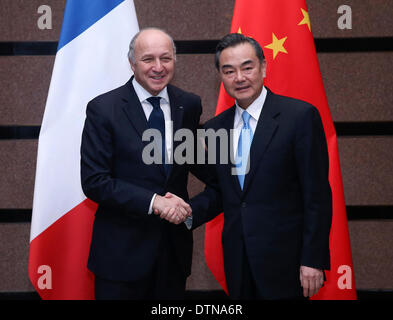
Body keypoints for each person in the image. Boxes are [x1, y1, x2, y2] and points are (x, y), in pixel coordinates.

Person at [183, 33, 332, 300]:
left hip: (288, 262)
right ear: (220, 76)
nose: (239, 77)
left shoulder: (299, 117)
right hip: (238, 261)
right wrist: (186, 213)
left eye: (247, 67)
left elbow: (317, 196)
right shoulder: (216, 127)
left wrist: (313, 259)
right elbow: (222, 192)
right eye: (229, 71)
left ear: (263, 67)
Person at [80, 27, 207, 300]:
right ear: (132, 63)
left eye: (166, 58)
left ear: (175, 60)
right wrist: (155, 202)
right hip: (120, 259)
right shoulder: (104, 109)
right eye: (148, 59)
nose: (158, 67)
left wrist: (190, 212)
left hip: (173, 256)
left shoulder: (189, 105)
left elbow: (201, 167)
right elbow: (95, 182)